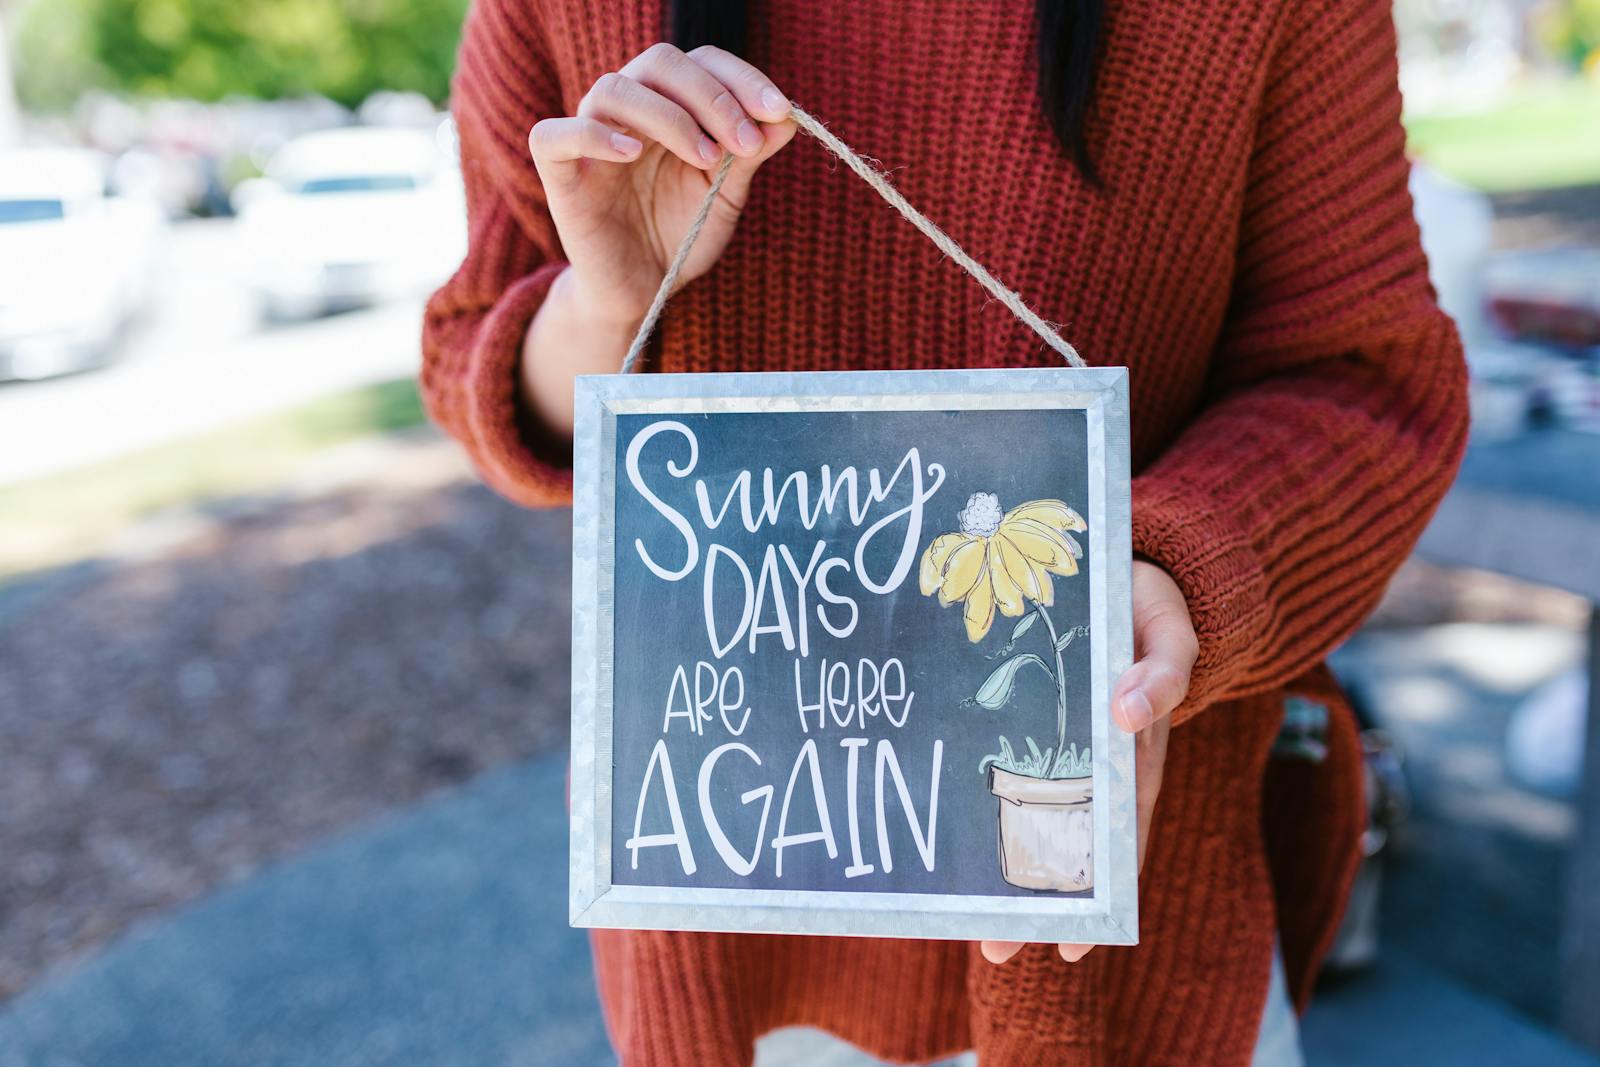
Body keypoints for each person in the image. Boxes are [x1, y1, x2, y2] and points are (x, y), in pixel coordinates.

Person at [420, 0, 1469, 1062]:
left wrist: (1168, 570)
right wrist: (607, 302)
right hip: (719, 914)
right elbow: (477, 356)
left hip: (1135, 945)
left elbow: (1362, 376)